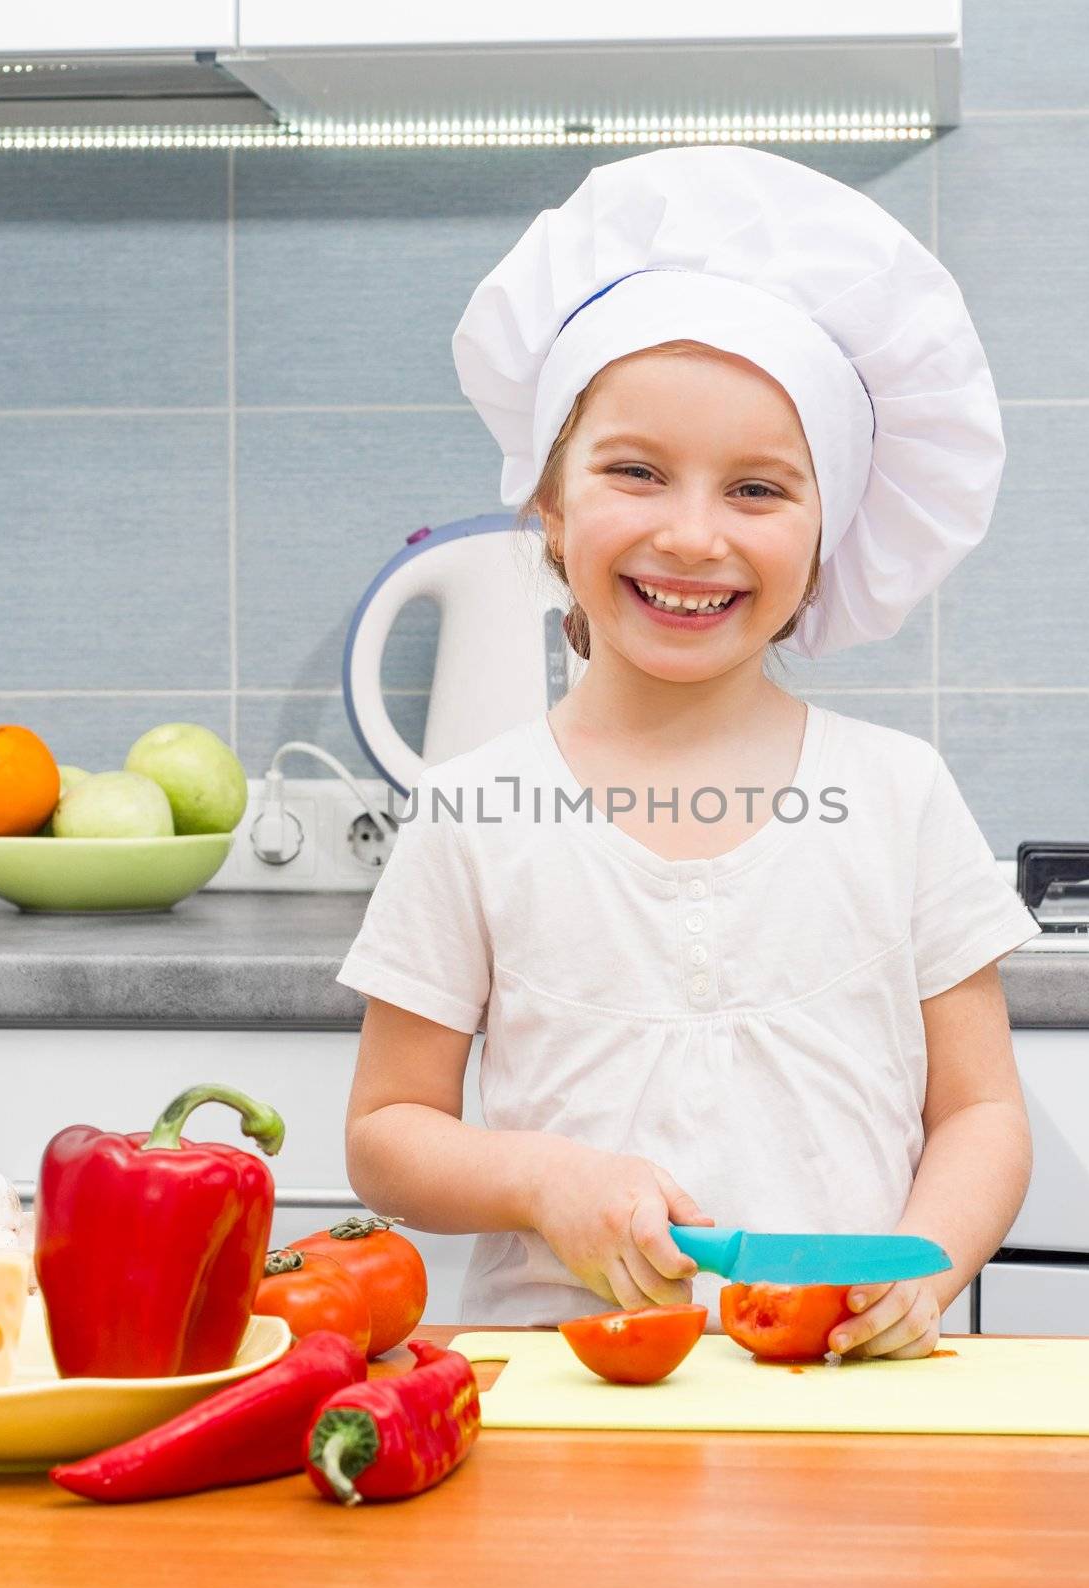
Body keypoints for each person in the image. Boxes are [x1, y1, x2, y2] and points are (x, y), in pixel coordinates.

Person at [337, 145, 1042, 1358]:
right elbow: (388, 1128)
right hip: (564, 1407)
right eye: (635, 472)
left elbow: (980, 1111)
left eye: (759, 490)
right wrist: (539, 1180)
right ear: (551, 505)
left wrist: (924, 1266)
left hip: (844, 1398)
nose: (691, 533)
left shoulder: (896, 794)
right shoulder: (474, 809)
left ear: (829, 539)